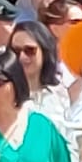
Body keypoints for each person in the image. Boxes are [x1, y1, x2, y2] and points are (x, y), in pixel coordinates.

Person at [39, 0, 82, 136]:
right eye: (75, 22)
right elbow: (61, 103)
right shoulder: (46, 64)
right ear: (55, 28)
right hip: (66, 137)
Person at [9, 20, 75, 149]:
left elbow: (67, 140)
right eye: (15, 52)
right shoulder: (3, 93)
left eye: (29, 50)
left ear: (45, 51)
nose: (22, 57)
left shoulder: (59, 93)